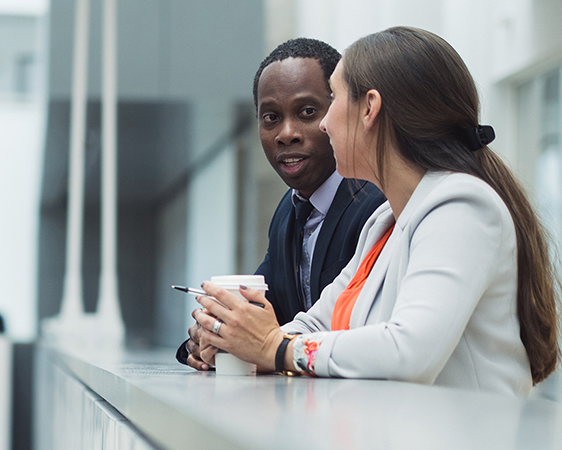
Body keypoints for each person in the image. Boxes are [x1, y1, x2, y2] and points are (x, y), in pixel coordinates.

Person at [193, 26, 559, 396]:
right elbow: (314, 325)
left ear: (369, 108)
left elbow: (408, 351)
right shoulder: (383, 224)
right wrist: (237, 340)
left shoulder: (462, 206)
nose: (322, 123)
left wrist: (275, 348)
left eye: (332, 99)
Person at [176, 38, 385, 370]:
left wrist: (265, 346)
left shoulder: (376, 205)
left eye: (306, 112)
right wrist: (210, 337)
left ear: (339, 113)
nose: (287, 133)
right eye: (271, 117)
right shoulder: (287, 213)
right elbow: (259, 312)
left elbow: (361, 333)